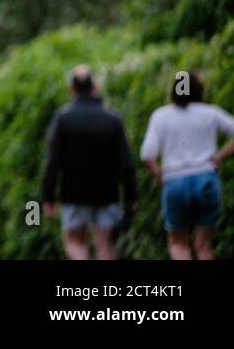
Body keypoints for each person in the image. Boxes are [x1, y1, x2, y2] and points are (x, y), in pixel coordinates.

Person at [40, 65, 137, 259]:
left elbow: (52, 161)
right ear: (96, 86)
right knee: (104, 245)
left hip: (73, 194)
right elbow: (126, 163)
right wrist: (130, 197)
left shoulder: (63, 119)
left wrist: (48, 196)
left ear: (71, 89)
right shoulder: (112, 118)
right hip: (107, 193)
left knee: (75, 242)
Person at [140, 69, 234, 260]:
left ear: (173, 90)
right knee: (204, 245)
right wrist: (219, 157)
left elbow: (147, 156)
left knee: (178, 244)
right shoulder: (210, 113)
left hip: (174, 180)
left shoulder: (161, 116)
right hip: (206, 178)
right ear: (199, 90)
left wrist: (161, 177)